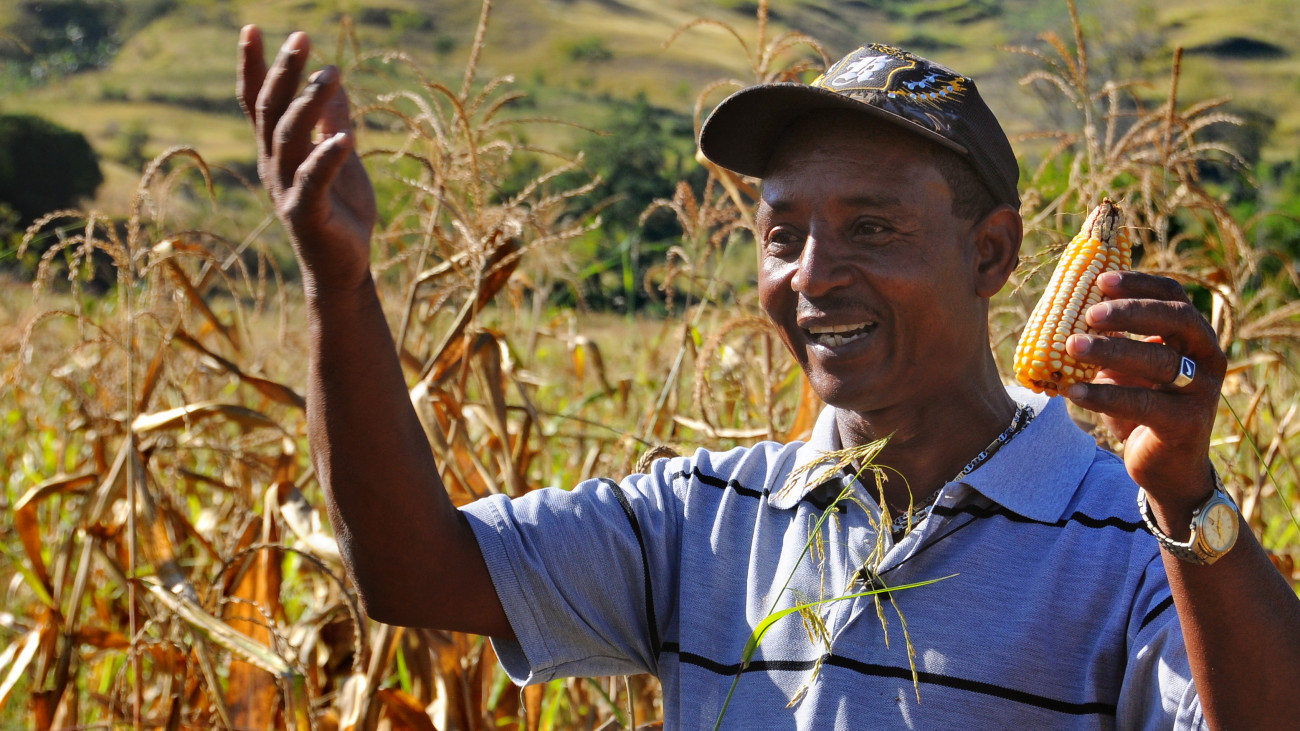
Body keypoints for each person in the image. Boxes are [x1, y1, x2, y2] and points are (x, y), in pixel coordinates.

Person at [237, 27, 1300, 729]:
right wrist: (341, 286)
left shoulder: (1137, 541)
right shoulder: (703, 516)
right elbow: (412, 571)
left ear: (991, 253)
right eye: (781, 234)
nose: (812, 276)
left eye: (871, 229)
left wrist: (1184, 494)